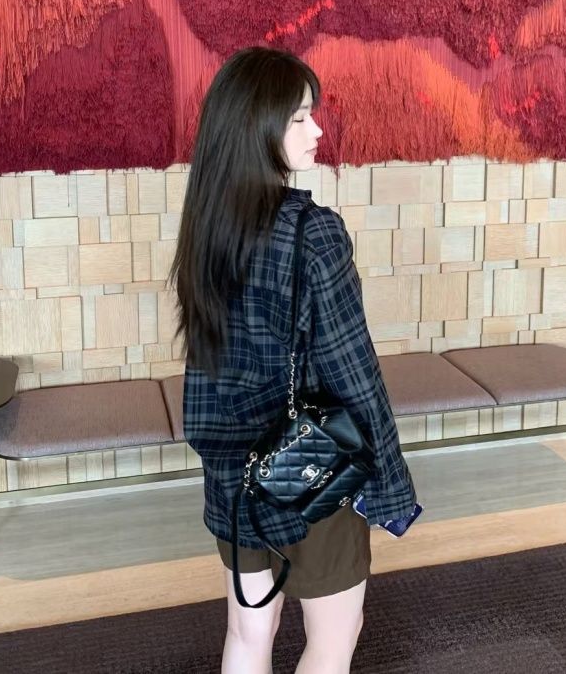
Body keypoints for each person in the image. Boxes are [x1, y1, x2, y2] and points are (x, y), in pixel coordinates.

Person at [170, 46, 416, 674]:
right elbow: (353, 373)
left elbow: (207, 364)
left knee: (247, 633)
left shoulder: (206, 226)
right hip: (310, 471)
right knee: (333, 640)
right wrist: (391, 485)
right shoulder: (313, 231)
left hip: (232, 472)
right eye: (301, 117)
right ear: (256, 127)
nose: (318, 131)